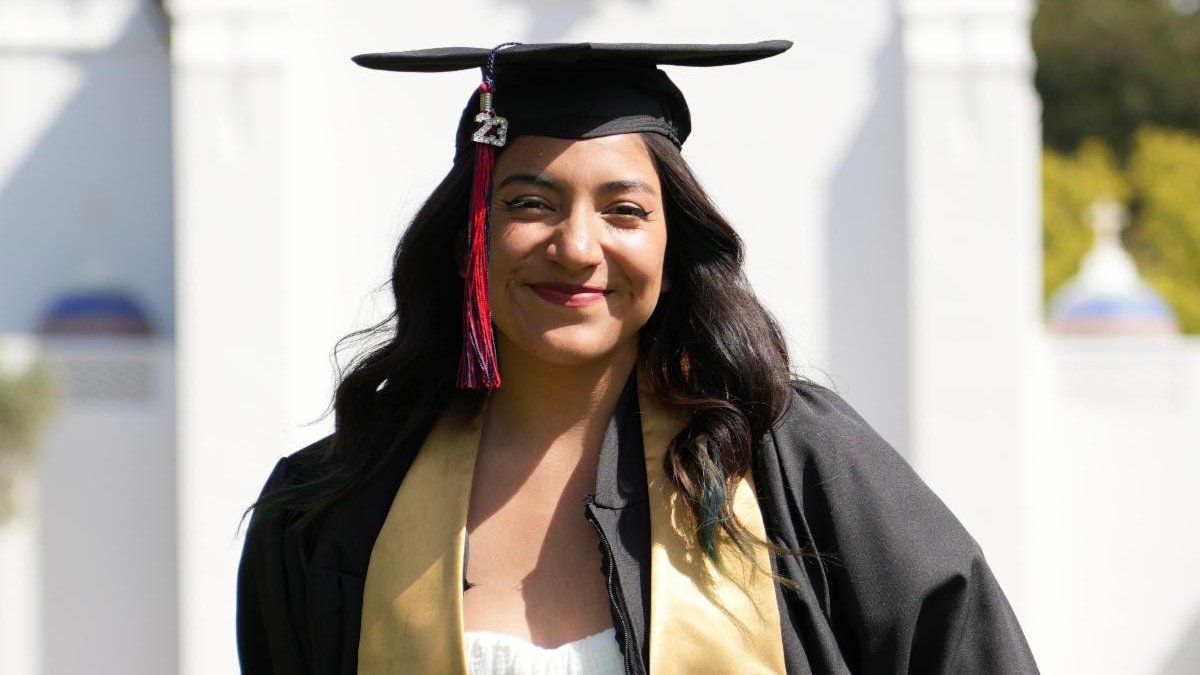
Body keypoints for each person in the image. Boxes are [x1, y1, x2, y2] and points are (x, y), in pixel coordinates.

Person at [236, 42, 1040, 675]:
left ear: (671, 242)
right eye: (528, 204)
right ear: (466, 242)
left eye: (624, 209)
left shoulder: (785, 459)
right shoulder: (337, 507)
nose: (578, 247)